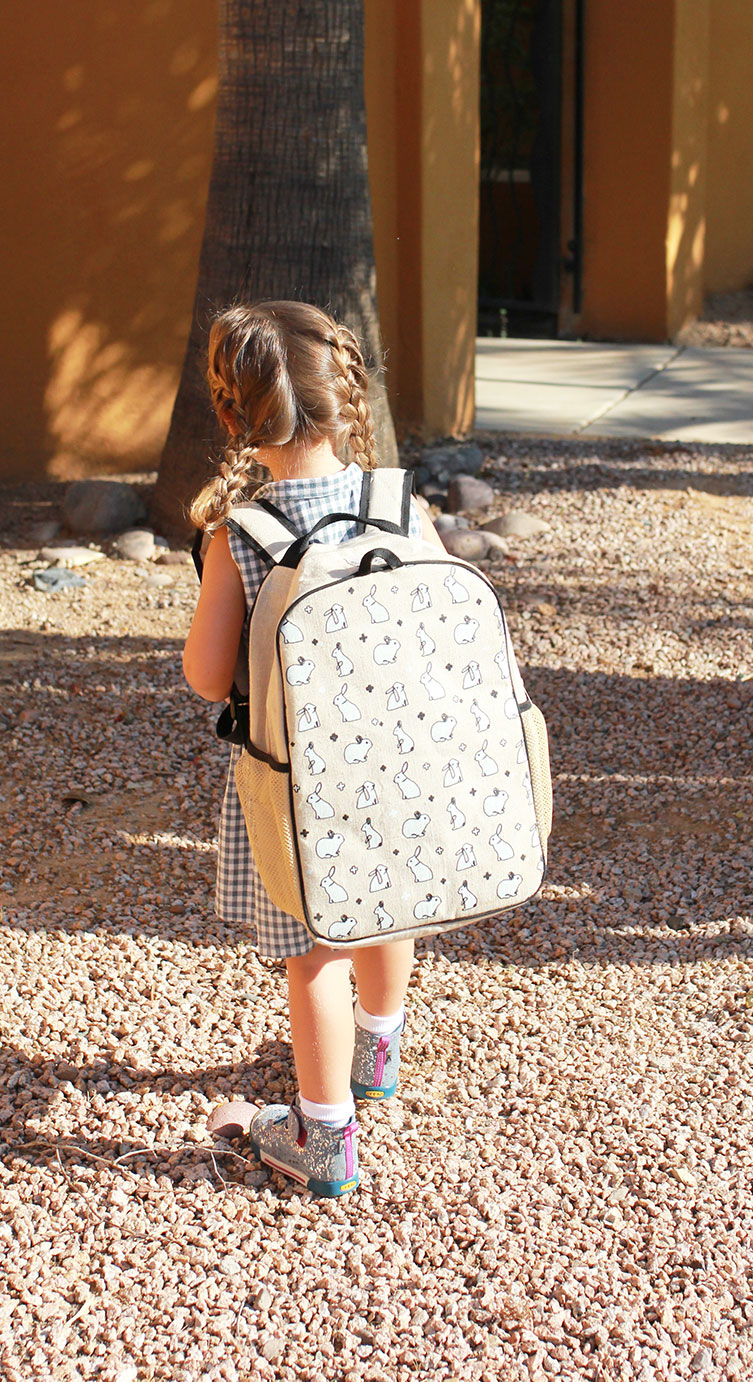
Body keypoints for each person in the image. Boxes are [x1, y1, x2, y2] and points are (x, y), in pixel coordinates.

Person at [183, 301, 443, 1197]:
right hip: (403, 760)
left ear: (231, 416)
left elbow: (210, 678)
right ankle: (379, 1051)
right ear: (344, 394)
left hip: (296, 787)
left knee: (313, 952)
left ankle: (322, 1138)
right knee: (387, 910)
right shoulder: (398, 501)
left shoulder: (241, 534)